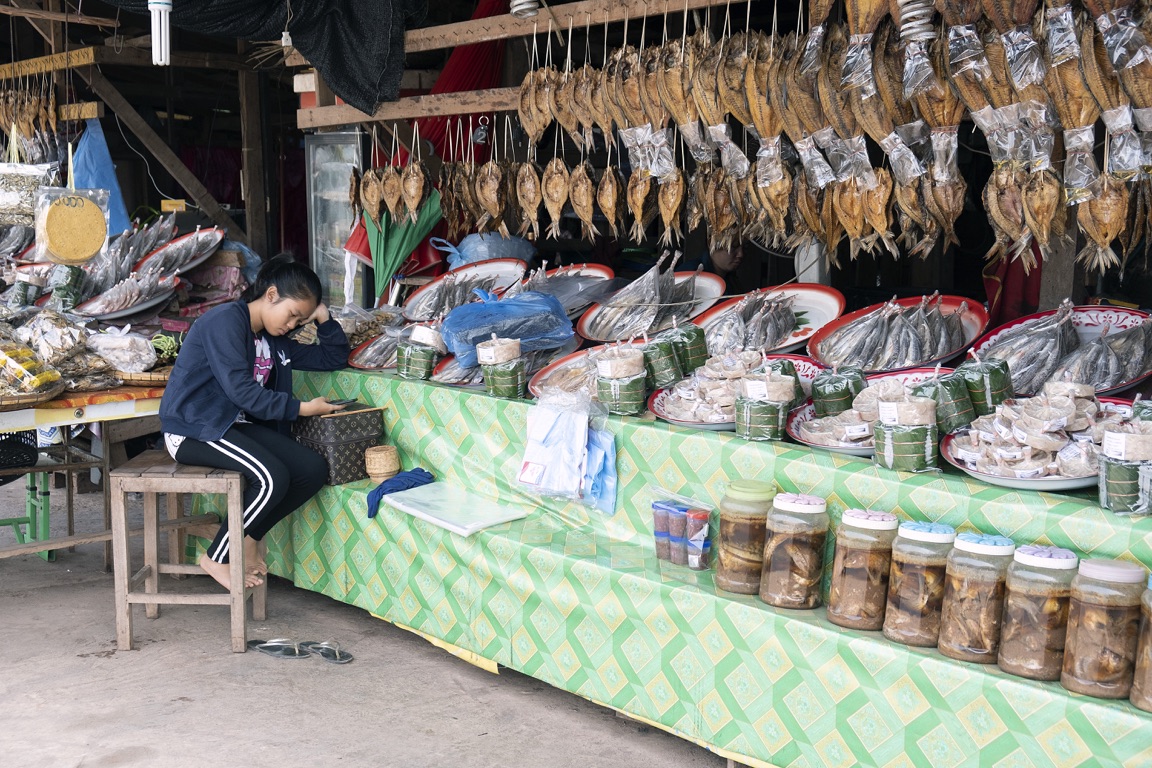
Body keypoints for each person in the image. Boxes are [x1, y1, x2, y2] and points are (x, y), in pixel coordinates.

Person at [159, 255, 351, 590]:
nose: (292, 324)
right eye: (293, 315)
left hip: (230, 426)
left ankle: (248, 535)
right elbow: (241, 392)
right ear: (272, 294)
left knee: (311, 469)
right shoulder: (224, 322)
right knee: (272, 477)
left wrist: (322, 319)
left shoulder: (273, 340)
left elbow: (332, 357)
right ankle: (215, 557)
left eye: (300, 320)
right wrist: (302, 408)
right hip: (194, 427)